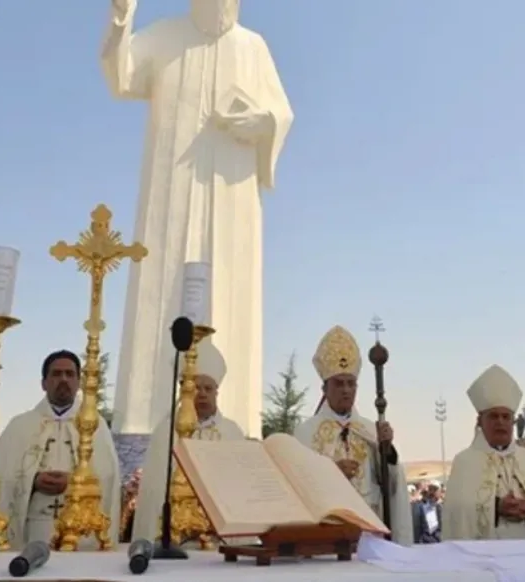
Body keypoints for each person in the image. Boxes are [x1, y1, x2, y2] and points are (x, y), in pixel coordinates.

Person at [103, 0, 295, 440]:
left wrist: (262, 123)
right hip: (168, 200)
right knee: (159, 289)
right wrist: (120, 17)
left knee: (233, 296)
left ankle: (235, 423)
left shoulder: (253, 48)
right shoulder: (165, 36)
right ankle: (143, 428)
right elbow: (122, 76)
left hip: (233, 200)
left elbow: (281, 113)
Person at [293, 326, 413, 545]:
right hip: (324, 537)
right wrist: (332, 473)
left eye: (351, 383)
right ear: (324, 388)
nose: (346, 390)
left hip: (369, 535)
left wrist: (388, 452)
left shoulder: (370, 431)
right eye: (339, 383)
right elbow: (298, 488)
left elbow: (391, 485)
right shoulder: (305, 434)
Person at [0, 350, 121, 549]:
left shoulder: (96, 425)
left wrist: (74, 483)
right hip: (34, 530)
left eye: (69, 374)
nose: (63, 379)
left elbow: (109, 476)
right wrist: (33, 480)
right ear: (44, 382)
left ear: (78, 382)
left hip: (82, 534)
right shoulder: (20, 426)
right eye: (56, 374)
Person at [131, 341, 245, 545]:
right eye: (195, 388)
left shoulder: (232, 433)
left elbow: (241, 488)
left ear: (216, 392)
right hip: (173, 538)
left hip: (218, 538)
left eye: (208, 388)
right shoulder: (165, 432)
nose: (201, 394)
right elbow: (154, 490)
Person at [443, 364, 525, 540]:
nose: (500, 422)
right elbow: (456, 512)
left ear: (513, 422)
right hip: (485, 559)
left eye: (506, 417)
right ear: (480, 421)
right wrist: (496, 507)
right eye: (493, 416)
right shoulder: (465, 461)